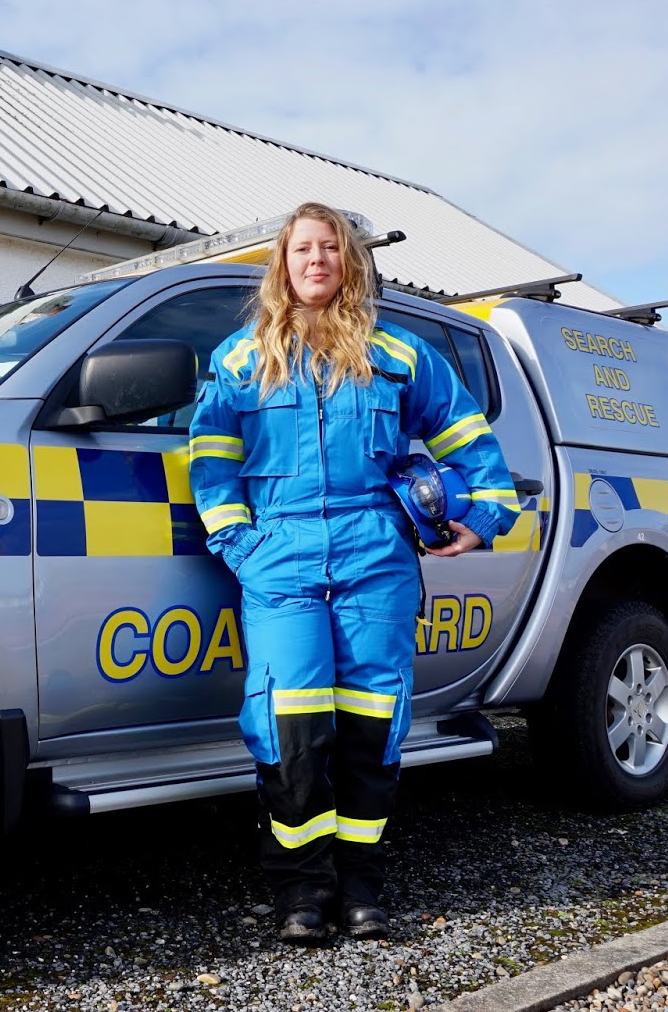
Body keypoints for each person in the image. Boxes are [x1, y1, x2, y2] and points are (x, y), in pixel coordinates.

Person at [188, 202, 518, 943]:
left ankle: (363, 889)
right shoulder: (243, 357)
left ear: (351, 262)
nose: (316, 260)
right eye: (303, 248)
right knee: (289, 731)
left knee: (374, 731)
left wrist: (486, 515)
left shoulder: (399, 353)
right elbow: (211, 461)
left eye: (330, 248)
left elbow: (471, 440)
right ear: (282, 262)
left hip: (378, 562)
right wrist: (240, 545)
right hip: (281, 562)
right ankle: (300, 893)